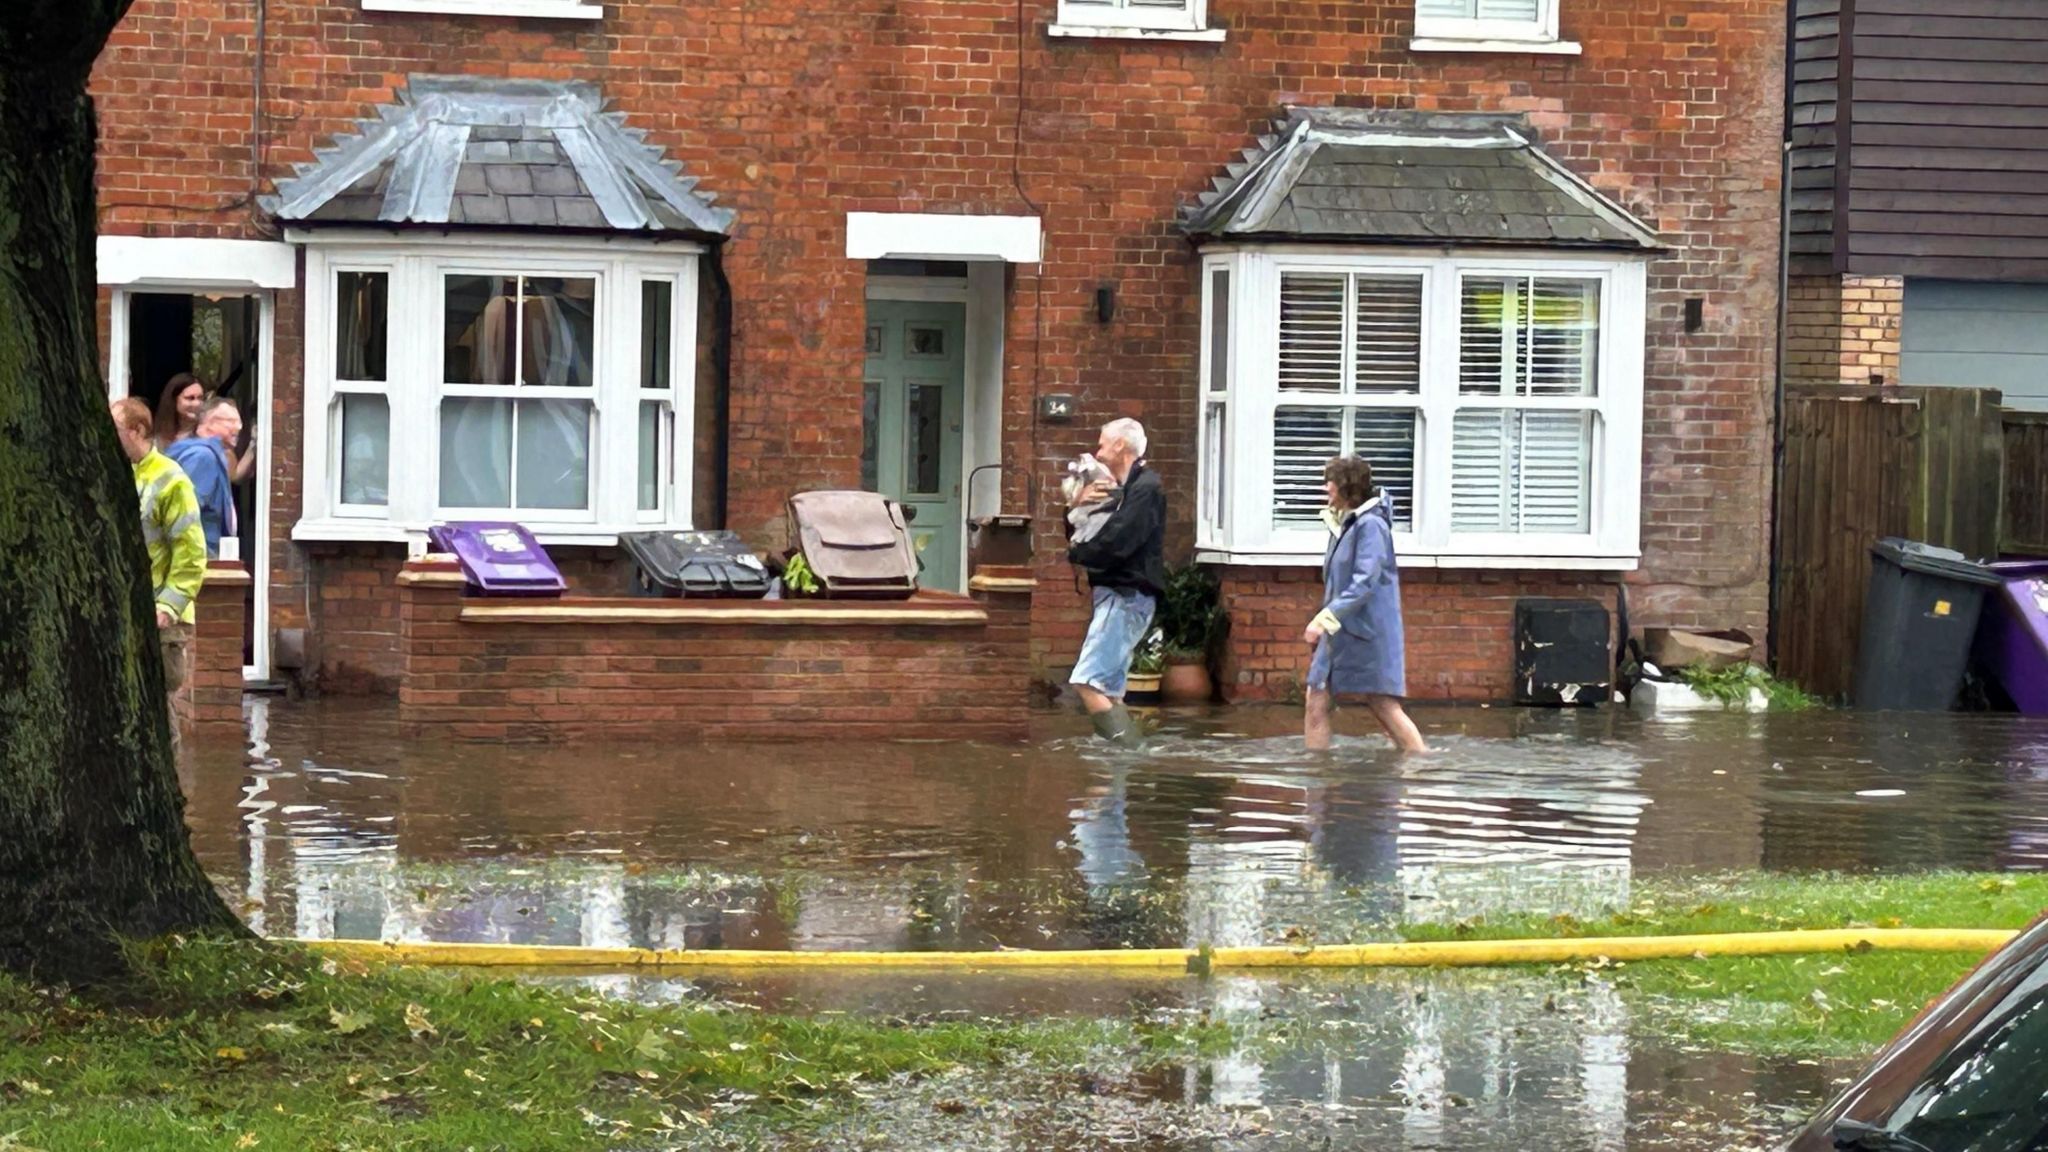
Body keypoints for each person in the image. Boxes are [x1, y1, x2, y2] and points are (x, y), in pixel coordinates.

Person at [1303, 456, 1429, 754]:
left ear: (1346, 486)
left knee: (1382, 702)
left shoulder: (1371, 526)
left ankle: (1420, 763)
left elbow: (1364, 581)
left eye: (1329, 481)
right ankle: (1316, 776)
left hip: (1368, 630)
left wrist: (1323, 619)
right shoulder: (1345, 525)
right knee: (1315, 698)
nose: (1326, 488)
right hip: (1340, 630)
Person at [1065, 417, 1166, 746]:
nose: (1098, 450)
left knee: (1087, 682)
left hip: (1127, 595)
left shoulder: (1146, 489)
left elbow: (1119, 542)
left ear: (1121, 445)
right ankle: (1116, 776)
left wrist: (1079, 554)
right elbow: (1085, 532)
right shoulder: (1121, 490)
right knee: (1108, 688)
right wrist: (1078, 504)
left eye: (1102, 442)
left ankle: (1129, 755)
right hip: (1116, 595)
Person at [112, 398, 208, 729]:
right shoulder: (119, 474)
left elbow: (191, 553)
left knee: (158, 712)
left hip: (160, 617)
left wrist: (168, 606)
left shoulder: (171, 479)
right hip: (127, 611)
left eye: (116, 430)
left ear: (137, 430)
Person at [166, 395, 240, 557]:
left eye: (238, 421)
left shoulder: (207, 454)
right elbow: (186, 511)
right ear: (209, 424)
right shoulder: (202, 457)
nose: (238, 427)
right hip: (198, 554)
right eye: (231, 421)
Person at [152, 372, 205, 451]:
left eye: (200, 398)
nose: (197, 404)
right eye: (190, 398)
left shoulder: (205, 434)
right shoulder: (158, 439)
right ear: (174, 400)